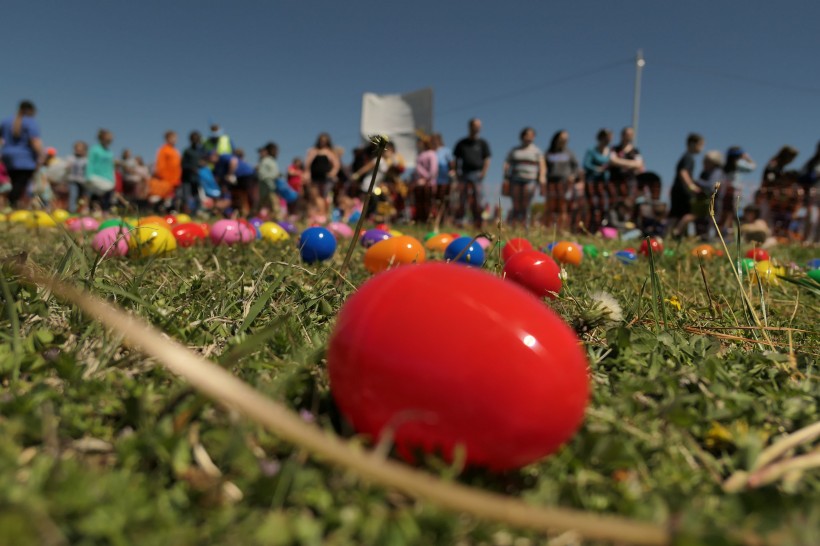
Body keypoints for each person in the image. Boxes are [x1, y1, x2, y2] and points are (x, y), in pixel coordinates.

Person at [0, 100, 43, 208]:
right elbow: (35, 141)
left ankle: (9, 205)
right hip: (25, 158)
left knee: (13, 183)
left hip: (7, 156)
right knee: (20, 184)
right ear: (31, 111)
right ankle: (12, 205)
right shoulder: (30, 122)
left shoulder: (6, 121)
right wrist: (41, 156)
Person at [503, 127, 546, 227]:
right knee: (516, 203)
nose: (529, 137)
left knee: (526, 203)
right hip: (515, 179)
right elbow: (507, 163)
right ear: (522, 136)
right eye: (527, 134)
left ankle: (525, 225)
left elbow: (542, 165)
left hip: (530, 179)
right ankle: (513, 224)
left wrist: (542, 178)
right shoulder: (515, 150)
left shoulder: (537, 151)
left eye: (532, 135)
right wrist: (505, 176)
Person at [453, 118, 491, 228]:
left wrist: (483, 172)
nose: (478, 127)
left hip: (477, 174)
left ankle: (478, 221)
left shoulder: (482, 143)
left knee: (478, 198)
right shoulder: (462, 143)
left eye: (479, 125)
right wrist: (456, 172)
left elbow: (487, 159)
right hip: (464, 174)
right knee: (462, 198)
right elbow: (456, 159)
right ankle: (459, 221)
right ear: (470, 126)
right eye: (475, 125)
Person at [545, 130, 582, 231]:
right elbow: (544, 167)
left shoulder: (569, 153)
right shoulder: (549, 152)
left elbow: (575, 167)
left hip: (565, 182)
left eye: (566, 138)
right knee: (550, 207)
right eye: (563, 138)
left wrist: (573, 176)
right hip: (551, 182)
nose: (565, 140)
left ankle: (562, 229)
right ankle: (548, 229)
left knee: (563, 207)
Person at [669, 133, 705, 238]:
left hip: (677, 189)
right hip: (683, 191)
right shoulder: (689, 157)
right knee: (692, 213)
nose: (702, 148)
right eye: (701, 145)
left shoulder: (685, 156)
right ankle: (676, 232)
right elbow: (683, 172)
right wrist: (691, 186)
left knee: (675, 215)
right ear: (693, 144)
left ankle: (666, 235)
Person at [718, 147, 756, 233]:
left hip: (725, 192)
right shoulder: (738, 164)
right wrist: (747, 158)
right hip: (734, 191)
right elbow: (752, 167)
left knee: (724, 213)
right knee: (733, 213)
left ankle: (719, 233)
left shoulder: (724, 165)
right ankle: (729, 233)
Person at [583, 129, 613, 232]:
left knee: (603, 205)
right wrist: (597, 169)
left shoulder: (610, 152)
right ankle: (589, 228)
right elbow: (586, 164)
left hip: (604, 182)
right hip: (592, 181)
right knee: (592, 205)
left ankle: (600, 229)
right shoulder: (592, 150)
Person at [304, 133, 339, 221]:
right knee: (314, 195)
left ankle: (323, 214)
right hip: (314, 177)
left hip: (325, 177)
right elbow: (307, 164)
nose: (322, 142)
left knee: (324, 196)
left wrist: (332, 173)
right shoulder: (313, 151)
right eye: (321, 140)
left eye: (324, 141)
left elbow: (336, 164)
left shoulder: (329, 152)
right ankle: (316, 214)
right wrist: (307, 174)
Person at [607, 126, 644, 209]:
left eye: (631, 134)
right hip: (615, 181)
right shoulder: (615, 149)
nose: (629, 136)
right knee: (614, 204)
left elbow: (639, 164)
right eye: (627, 134)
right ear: (622, 135)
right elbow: (612, 160)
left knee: (628, 204)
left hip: (630, 182)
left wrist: (619, 161)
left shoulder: (635, 151)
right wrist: (631, 163)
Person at [148, 131, 182, 212]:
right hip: (166, 179)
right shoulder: (163, 150)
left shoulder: (175, 151)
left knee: (172, 198)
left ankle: (170, 212)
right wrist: (163, 177)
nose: (175, 140)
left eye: (176, 138)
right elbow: (160, 165)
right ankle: (157, 211)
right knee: (162, 197)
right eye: (173, 138)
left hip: (175, 179)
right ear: (167, 139)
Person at [85, 129, 116, 211]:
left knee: (107, 195)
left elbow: (111, 166)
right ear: (102, 137)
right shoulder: (95, 149)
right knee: (95, 193)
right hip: (96, 175)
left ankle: (105, 211)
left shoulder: (109, 152)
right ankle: (93, 210)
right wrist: (88, 175)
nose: (110, 139)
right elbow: (90, 162)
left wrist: (113, 178)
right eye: (108, 137)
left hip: (108, 177)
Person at [411, 134, 439, 224]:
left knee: (428, 203)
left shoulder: (431, 154)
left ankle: (428, 220)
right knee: (419, 203)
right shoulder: (420, 155)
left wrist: (426, 179)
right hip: (419, 183)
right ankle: (420, 220)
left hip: (428, 183)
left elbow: (433, 170)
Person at [432, 133, 455, 224]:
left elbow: (451, 162)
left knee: (444, 198)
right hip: (434, 178)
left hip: (444, 177)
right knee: (435, 198)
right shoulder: (432, 151)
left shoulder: (446, 150)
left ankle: (444, 219)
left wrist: (452, 170)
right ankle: (436, 219)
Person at [257, 142, 282, 219]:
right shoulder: (266, 161)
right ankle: (279, 219)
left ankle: (252, 216)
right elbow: (262, 175)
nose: (277, 152)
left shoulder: (271, 161)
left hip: (270, 187)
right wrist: (275, 175)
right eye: (276, 150)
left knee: (261, 205)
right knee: (274, 204)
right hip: (268, 188)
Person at [180, 131, 203, 215]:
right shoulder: (187, 151)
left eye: (197, 139)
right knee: (186, 196)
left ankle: (195, 212)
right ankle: (185, 212)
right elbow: (183, 164)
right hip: (187, 178)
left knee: (197, 196)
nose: (195, 141)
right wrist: (191, 168)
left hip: (196, 178)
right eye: (194, 139)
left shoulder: (200, 151)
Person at [64, 141, 88, 213]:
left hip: (83, 181)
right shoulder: (70, 158)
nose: (78, 150)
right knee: (73, 195)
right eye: (77, 148)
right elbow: (66, 168)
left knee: (83, 196)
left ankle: (83, 210)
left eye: (81, 149)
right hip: (73, 180)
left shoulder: (86, 160)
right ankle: (72, 210)